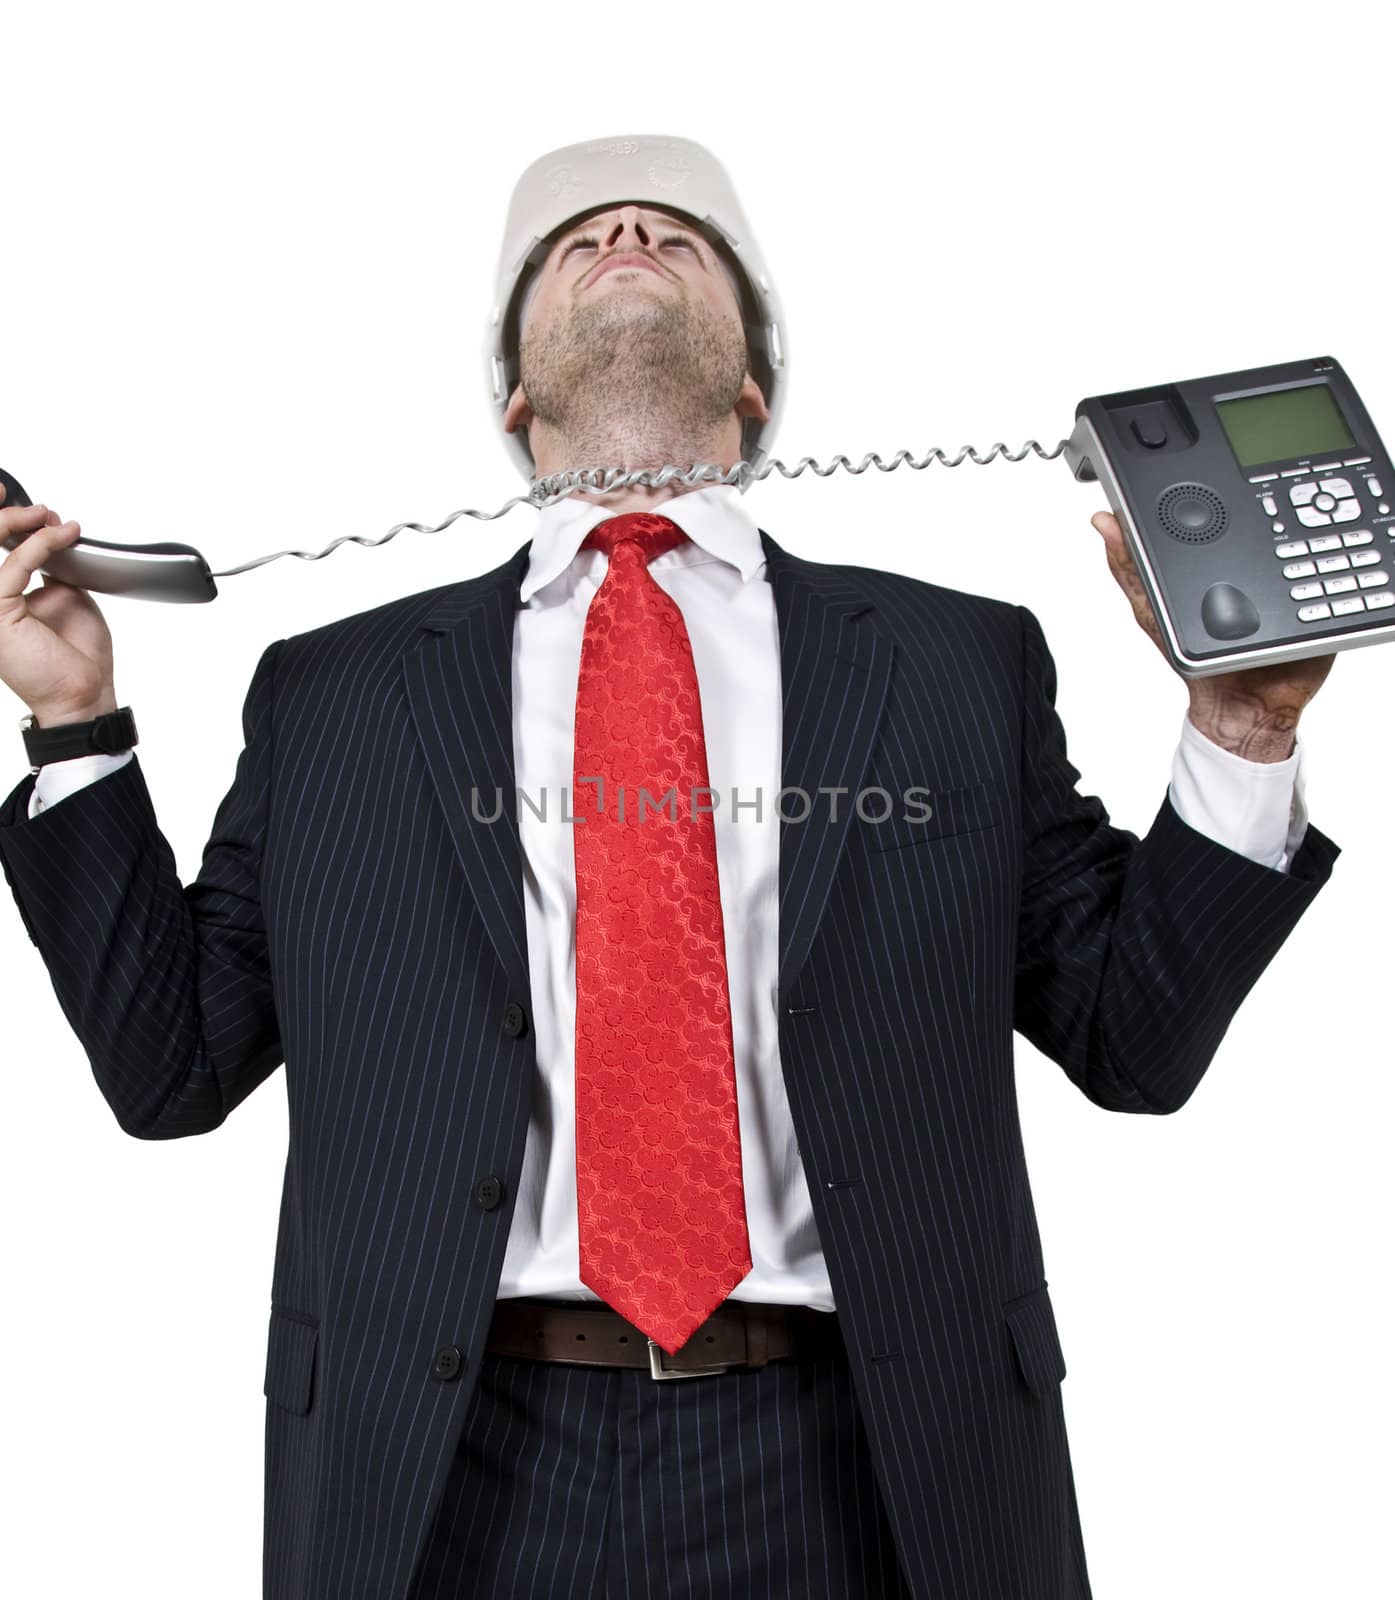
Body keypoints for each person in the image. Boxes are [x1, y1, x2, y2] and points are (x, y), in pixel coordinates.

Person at [0, 134, 1341, 1600]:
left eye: (677, 235)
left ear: (752, 385)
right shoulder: (335, 693)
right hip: (450, 1466)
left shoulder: (960, 664)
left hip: (870, 1461)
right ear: (515, 392)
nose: (627, 227)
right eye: (573, 240)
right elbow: (169, 1070)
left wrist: (1242, 724)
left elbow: (1130, 1041)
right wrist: (75, 722)